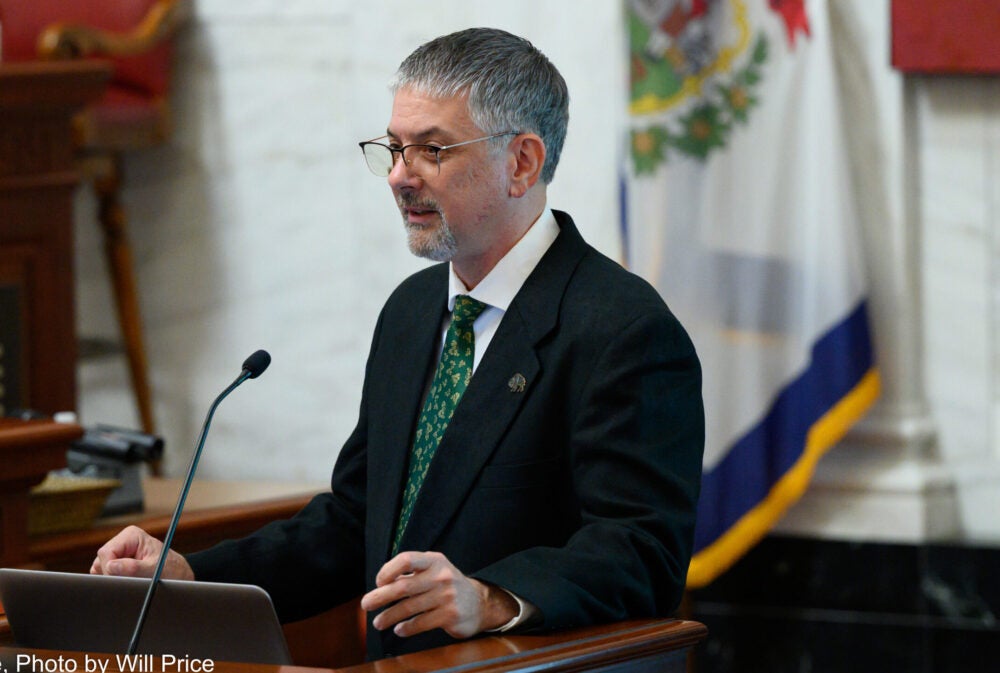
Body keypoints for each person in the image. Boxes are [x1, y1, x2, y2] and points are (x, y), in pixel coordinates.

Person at [91, 27, 705, 659]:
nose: (398, 178)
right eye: (393, 148)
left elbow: (641, 550)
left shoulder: (622, 329)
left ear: (521, 162)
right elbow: (360, 520)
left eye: (432, 151)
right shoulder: (412, 312)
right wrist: (192, 574)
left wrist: (491, 598)